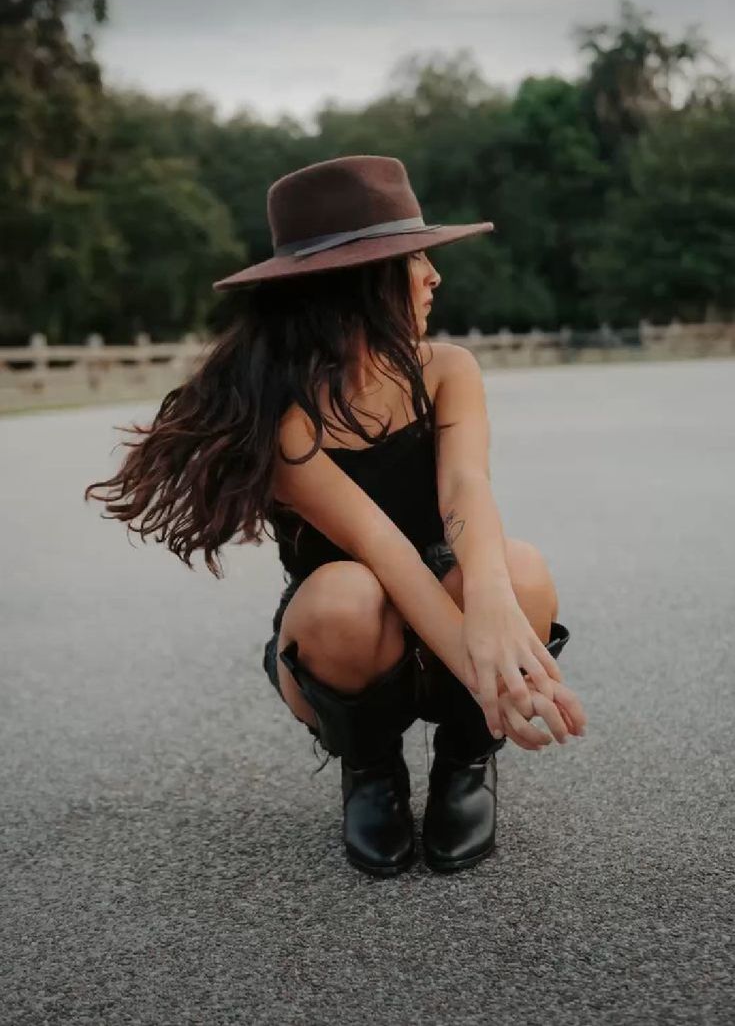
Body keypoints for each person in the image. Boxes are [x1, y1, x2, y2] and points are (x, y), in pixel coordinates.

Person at [84, 154, 586, 880]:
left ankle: (465, 763)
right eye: (415, 259)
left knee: (520, 569)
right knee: (347, 591)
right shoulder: (283, 416)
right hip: (343, 636)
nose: (432, 276)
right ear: (361, 283)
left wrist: (499, 610)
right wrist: (497, 686)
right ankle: (372, 769)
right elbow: (384, 550)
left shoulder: (448, 368)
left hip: (436, 592)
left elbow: (466, 491)